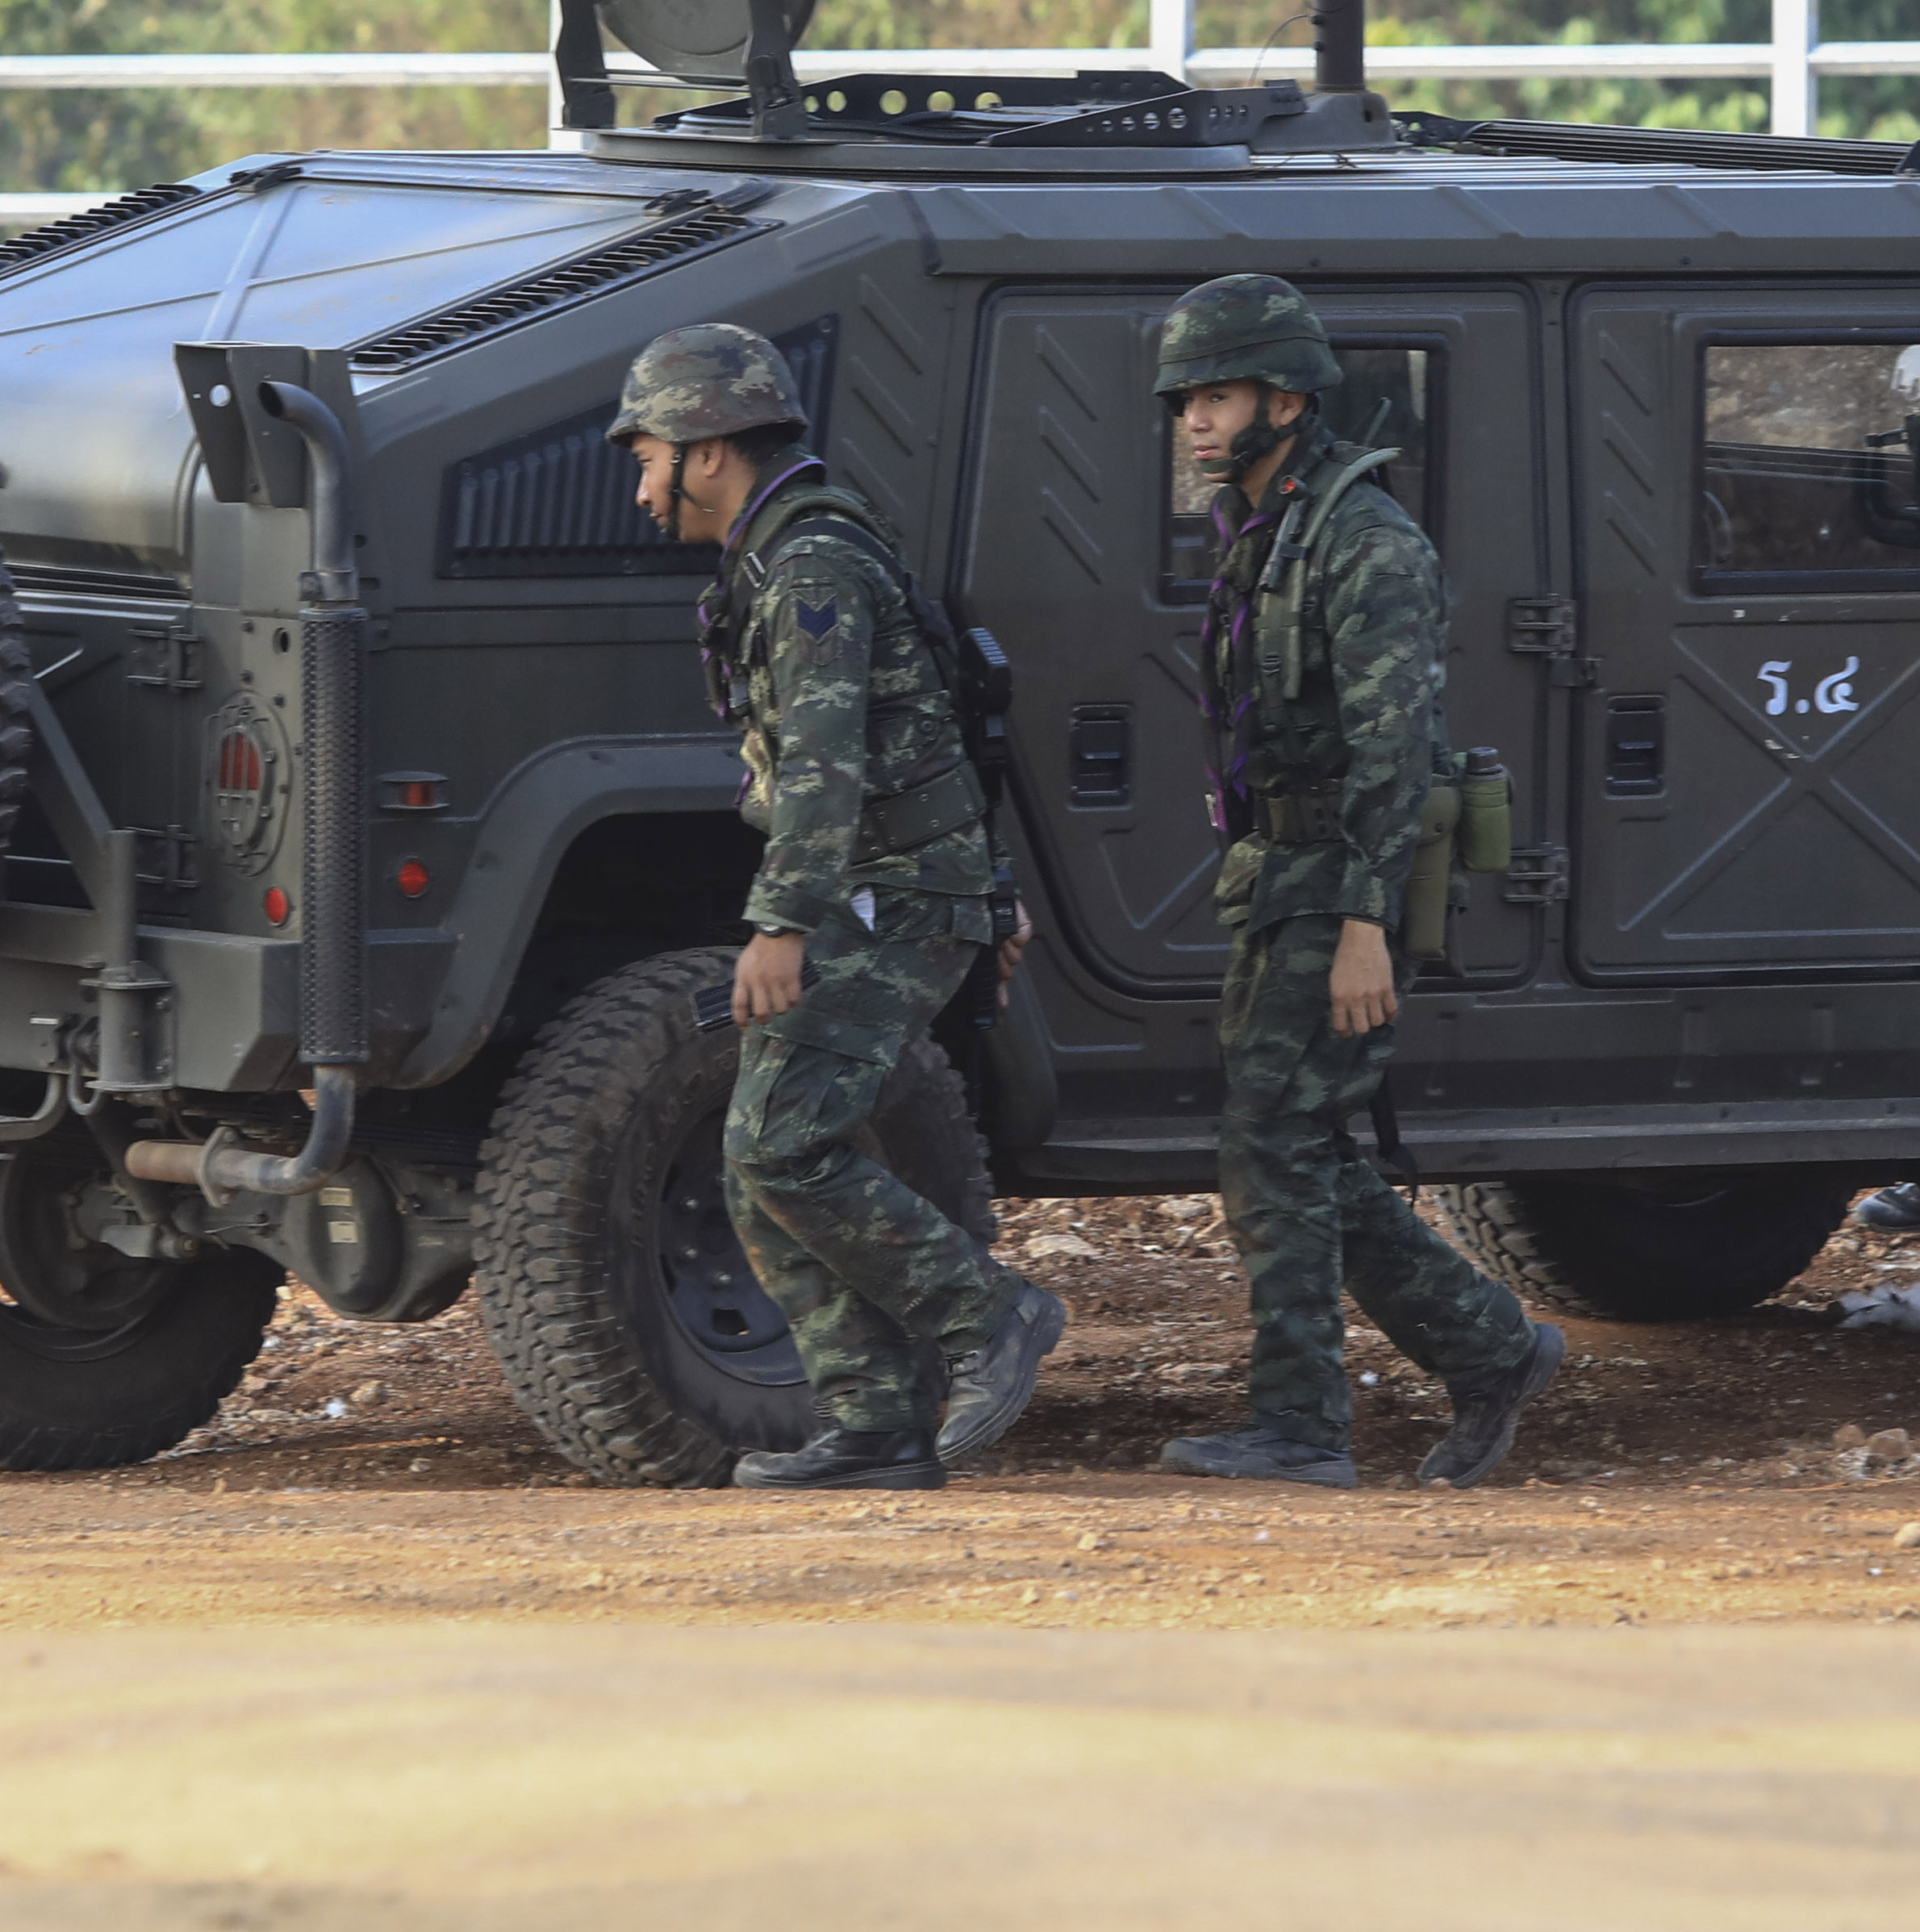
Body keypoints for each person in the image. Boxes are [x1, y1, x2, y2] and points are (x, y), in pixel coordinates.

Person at [613, 323, 1058, 1491]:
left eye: (651, 454)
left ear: (712, 448)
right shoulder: (786, 554)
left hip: (890, 898)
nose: (643, 486)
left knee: (780, 1142)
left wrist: (784, 924)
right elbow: (940, 723)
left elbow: (826, 761)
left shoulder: (810, 566)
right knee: (768, 1148)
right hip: (895, 888)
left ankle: (991, 1315)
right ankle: (874, 1423)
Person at [1153, 273, 1565, 1490]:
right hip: (1281, 872)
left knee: (1273, 1142)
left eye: (1215, 397)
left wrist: (1362, 926)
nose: (1193, 422)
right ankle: (1491, 1350)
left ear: (1287, 399)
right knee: (1296, 1146)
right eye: (1184, 401)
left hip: (1340, 883)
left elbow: (1396, 752)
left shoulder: (1365, 540)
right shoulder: (1266, 527)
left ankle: (1303, 1423)